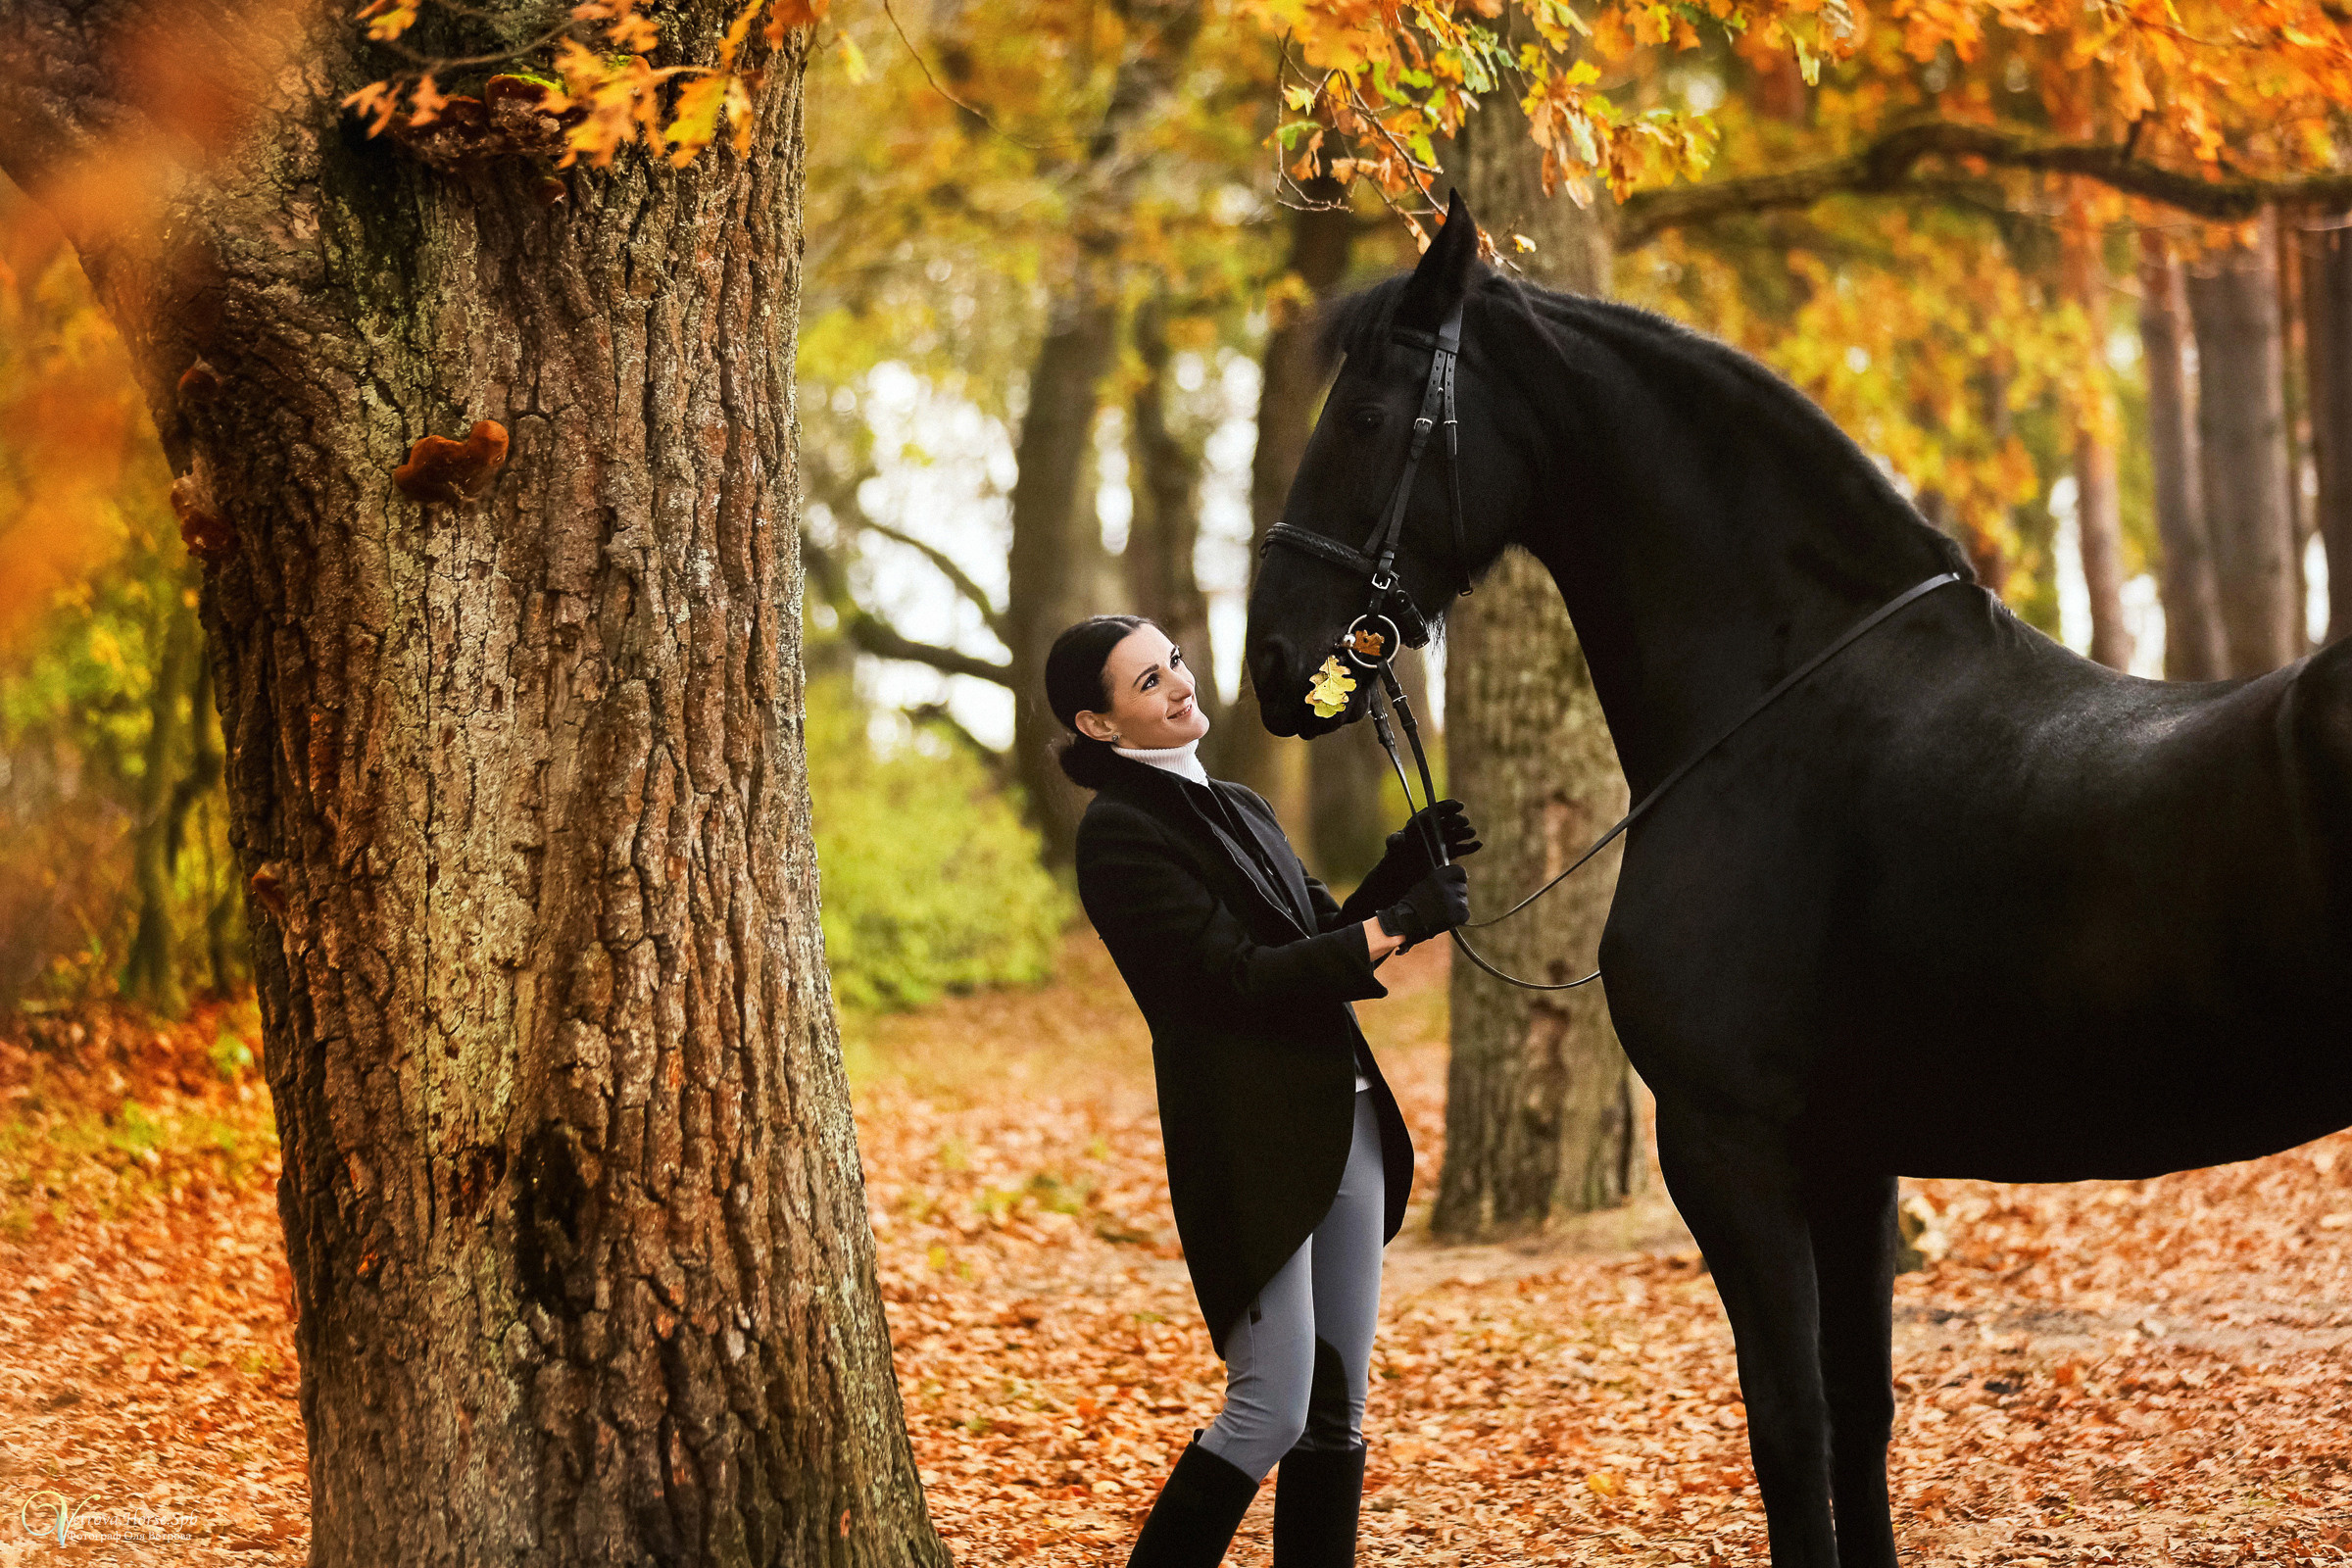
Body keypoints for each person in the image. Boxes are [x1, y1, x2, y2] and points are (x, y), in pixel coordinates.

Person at [1049, 614, 1479, 1566]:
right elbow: (1235, 980)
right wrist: (1396, 922)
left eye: (1174, 663)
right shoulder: (1119, 836)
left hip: (1345, 1114)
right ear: (1100, 725)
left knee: (1337, 1409)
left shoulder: (1238, 801)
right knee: (1270, 1406)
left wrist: (1397, 878)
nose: (1179, 684)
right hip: (1249, 1142)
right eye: (1147, 682)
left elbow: (1316, 936)